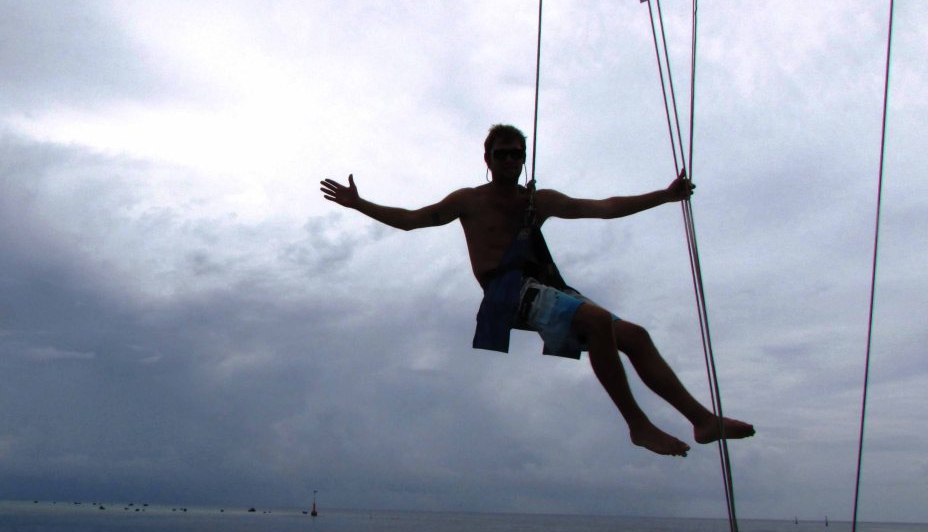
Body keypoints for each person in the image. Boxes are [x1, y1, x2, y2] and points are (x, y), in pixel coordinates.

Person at [319, 123, 754, 457]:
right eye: (502, 154)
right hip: (507, 295)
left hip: (545, 288)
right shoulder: (469, 200)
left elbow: (602, 208)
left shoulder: (536, 201)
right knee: (597, 321)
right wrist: (360, 204)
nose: (510, 160)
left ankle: (701, 421)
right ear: (487, 158)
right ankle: (638, 424)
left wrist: (664, 196)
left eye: (517, 154)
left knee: (635, 337)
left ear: (524, 159)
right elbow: (414, 219)